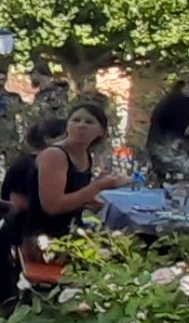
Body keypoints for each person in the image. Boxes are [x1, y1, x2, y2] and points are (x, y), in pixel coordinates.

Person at [21, 103, 126, 248]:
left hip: (71, 232)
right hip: (44, 240)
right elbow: (52, 206)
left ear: (101, 131)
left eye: (89, 122)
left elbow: (73, 196)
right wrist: (98, 186)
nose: (81, 126)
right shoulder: (55, 155)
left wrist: (88, 204)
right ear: (67, 125)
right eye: (75, 120)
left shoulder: (85, 155)